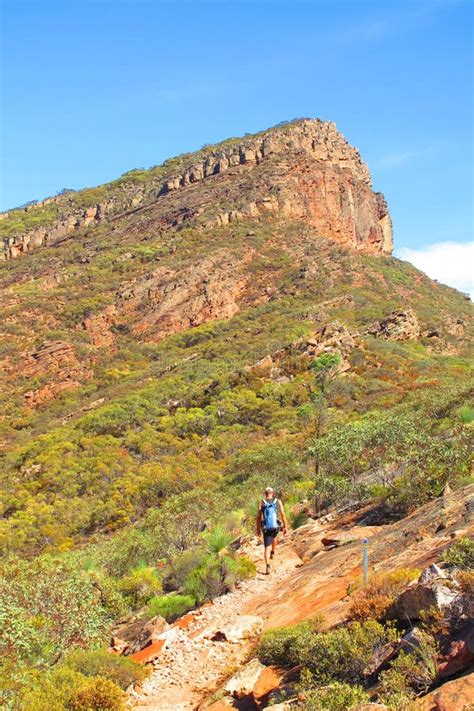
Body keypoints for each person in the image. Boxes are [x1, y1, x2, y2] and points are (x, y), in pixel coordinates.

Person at [256, 486, 288, 575]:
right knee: (274, 538)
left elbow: (258, 516)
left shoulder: (262, 502)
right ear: (272, 493)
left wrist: (258, 528)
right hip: (275, 526)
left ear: (265, 494)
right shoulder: (278, 501)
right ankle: (273, 551)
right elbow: (282, 514)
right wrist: (285, 526)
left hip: (266, 527)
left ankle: (267, 566)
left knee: (266, 548)